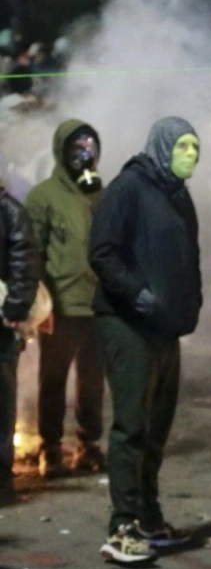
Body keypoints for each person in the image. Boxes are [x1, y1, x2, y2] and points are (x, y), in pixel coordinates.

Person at [89, 117, 202, 564]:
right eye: (184, 146)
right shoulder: (129, 188)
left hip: (164, 327)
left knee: (157, 427)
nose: (192, 154)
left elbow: (190, 257)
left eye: (196, 147)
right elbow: (102, 251)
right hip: (126, 323)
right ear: (163, 147)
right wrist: (138, 294)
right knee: (132, 426)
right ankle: (122, 527)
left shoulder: (178, 196)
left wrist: (190, 306)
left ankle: (149, 518)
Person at [24, 119, 106, 478]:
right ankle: (50, 447)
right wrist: (42, 304)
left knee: (92, 380)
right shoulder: (43, 197)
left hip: (97, 304)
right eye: (77, 147)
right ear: (62, 150)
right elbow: (32, 254)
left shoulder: (101, 194)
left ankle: (88, 445)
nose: (84, 154)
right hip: (60, 305)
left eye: (90, 147)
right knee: (53, 380)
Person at [0, 176, 38, 505]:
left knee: (1, 397)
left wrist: (15, 306)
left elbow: (25, 264)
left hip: (1, 323)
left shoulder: (10, 212)